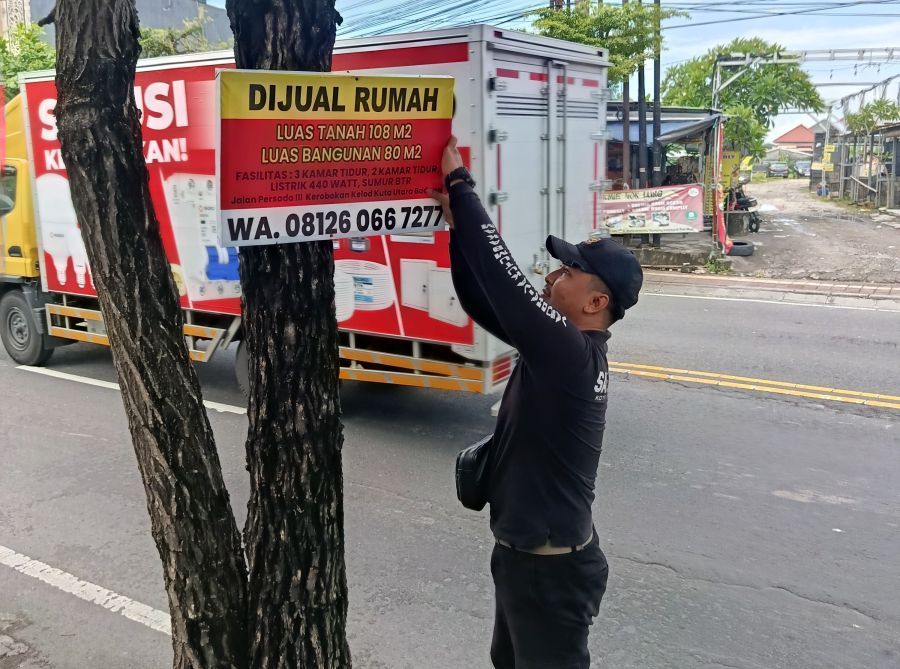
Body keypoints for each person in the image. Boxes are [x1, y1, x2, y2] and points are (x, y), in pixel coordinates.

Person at [430, 136, 643, 668]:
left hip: (551, 575)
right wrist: (459, 233)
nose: (552, 275)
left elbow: (507, 286)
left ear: (597, 302)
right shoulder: (561, 352)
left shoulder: (571, 355)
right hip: (527, 563)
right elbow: (484, 300)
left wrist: (461, 187)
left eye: (568, 272)